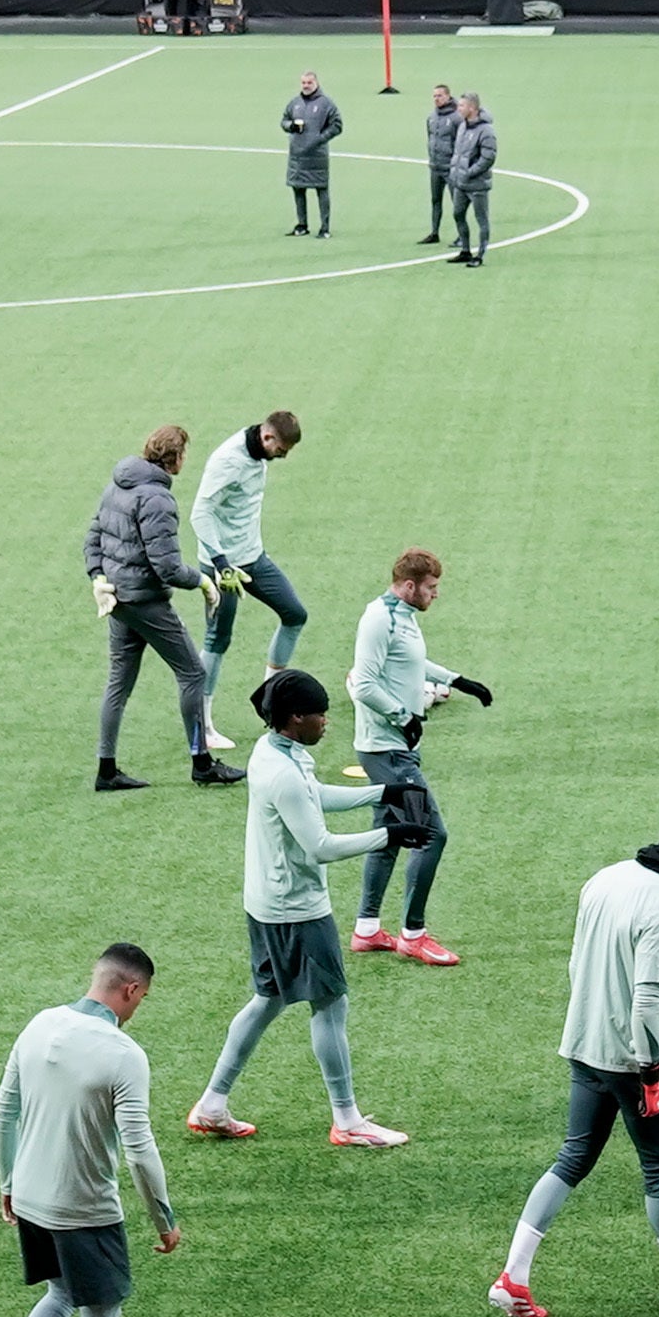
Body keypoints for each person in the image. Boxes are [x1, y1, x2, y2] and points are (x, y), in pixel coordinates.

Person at [490, 814, 659, 1317]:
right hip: (633, 1061)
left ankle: (513, 1276)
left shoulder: (604, 878)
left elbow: (575, 963)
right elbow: (649, 1001)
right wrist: (651, 1073)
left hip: (585, 1045)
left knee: (572, 1158)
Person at [192, 669, 424, 1145]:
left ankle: (212, 1104)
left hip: (264, 900)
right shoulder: (283, 772)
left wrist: (381, 792)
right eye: (321, 715)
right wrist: (390, 834)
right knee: (330, 1003)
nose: (327, 723)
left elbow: (314, 796)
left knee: (270, 997)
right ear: (296, 718)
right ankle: (348, 1120)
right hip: (296, 906)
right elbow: (318, 845)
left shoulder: (272, 751)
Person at [0, 944, 182, 1317]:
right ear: (131, 990)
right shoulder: (123, 1054)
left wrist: (8, 1184)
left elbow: (3, 1113)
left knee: (60, 1293)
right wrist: (164, 1220)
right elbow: (139, 1152)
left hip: (30, 1198)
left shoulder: (39, 1024)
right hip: (84, 1208)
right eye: (142, 999)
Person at [350, 547, 484, 966]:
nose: (436, 595)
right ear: (409, 586)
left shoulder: (400, 617)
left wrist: (457, 680)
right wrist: (403, 716)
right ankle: (413, 934)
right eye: (431, 587)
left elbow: (411, 663)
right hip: (387, 751)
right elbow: (364, 682)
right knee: (430, 834)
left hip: (398, 748)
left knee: (389, 836)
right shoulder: (379, 619)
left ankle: (367, 929)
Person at [91, 425, 239, 792]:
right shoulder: (157, 499)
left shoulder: (118, 484)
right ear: (175, 459)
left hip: (118, 599)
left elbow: (93, 535)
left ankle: (106, 770)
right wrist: (203, 582)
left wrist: (98, 577)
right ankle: (202, 762)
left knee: (118, 683)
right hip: (145, 601)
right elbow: (167, 567)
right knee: (192, 674)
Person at [191, 410, 310, 713]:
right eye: (281, 450)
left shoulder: (258, 454)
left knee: (295, 614)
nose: (282, 456)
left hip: (253, 558)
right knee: (218, 639)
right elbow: (200, 514)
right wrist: (221, 563)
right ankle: (201, 721)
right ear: (267, 437)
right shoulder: (228, 461)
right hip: (224, 566)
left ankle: (271, 701)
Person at [280, 70, 342, 237]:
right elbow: (284, 120)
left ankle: (325, 227)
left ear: (316, 83)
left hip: (317, 156)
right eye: (303, 83)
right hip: (297, 156)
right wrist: (290, 126)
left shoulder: (326, 104)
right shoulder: (295, 103)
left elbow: (337, 125)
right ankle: (302, 224)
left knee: (321, 189)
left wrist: (320, 139)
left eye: (309, 83)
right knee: (298, 189)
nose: (306, 86)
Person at [447, 92, 496, 267]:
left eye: (461, 106)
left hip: (477, 185)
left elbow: (488, 158)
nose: (458, 108)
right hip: (460, 183)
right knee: (457, 214)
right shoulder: (462, 126)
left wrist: (469, 172)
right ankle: (465, 251)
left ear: (472, 108)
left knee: (481, 219)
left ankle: (480, 256)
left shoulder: (486, 130)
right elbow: (458, 152)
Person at [420, 83, 463, 244]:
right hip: (435, 167)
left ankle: (461, 235)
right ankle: (434, 232)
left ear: (448, 96)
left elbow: (461, 143)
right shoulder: (431, 117)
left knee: (457, 203)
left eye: (439, 95)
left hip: (451, 168)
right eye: (434, 96)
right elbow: (430, 138)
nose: (436, 99)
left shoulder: (456, 118)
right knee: (435, 200)